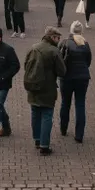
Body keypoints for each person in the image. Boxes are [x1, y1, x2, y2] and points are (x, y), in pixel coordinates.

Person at [24, 26, 67, 154]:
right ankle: (44, 145)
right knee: (47, 115)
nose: (58, 40)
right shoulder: (54, 51)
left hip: (32, 86)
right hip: (47, 87)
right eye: (57, 38)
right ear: (52, 37)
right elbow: (62, 71)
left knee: (35, 112)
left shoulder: (33, 47)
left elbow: (26, 65)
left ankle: (37, 139)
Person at [59, 21, 92, 142]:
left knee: (65, 103)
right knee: (80, 104)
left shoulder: (65, 43)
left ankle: (63, 128)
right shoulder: (85, 44)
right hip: (82, 78)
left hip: (66, 77)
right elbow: (88, 61)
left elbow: (59, 59)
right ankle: (79, 135)